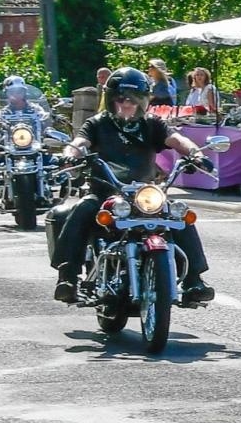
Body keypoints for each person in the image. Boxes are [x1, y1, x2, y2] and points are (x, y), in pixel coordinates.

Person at [50, 67, 215, 305]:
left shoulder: (152, 124)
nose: (127, 104)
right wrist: (70, 155)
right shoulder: (97, 124)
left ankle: (193, 280)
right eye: (122, 99)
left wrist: (195, 154)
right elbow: (79, 141)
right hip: (104, 192)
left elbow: (177, 139)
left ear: (143, 101)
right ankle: (68, 277)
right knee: (82, 209)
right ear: (111, 99)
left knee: (178, 212)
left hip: (143, 195)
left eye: (134, 99)